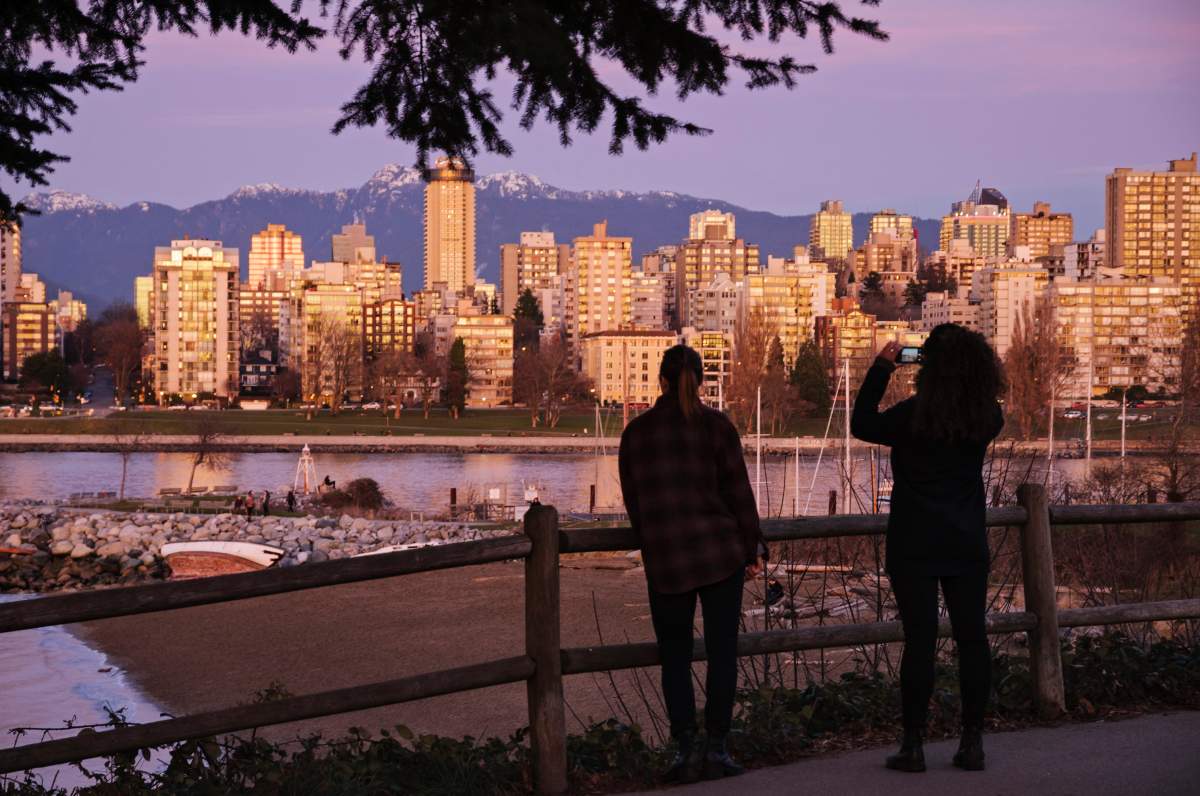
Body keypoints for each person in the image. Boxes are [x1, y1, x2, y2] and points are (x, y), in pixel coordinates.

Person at [850, 324, 1005, 774]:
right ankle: (972, 742)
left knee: (919, 643)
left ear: (927, 367)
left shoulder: (911, 416)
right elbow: (990, 408)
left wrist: (883, 366)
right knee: (971, 639)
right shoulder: (984, 419)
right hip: (965, 541)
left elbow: (862, 423)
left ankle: (913, 744)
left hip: (914, 540)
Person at [618, 344, 766, 783]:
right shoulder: (717, 427)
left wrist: (651, 541)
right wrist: (753, 546)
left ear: (660, 381)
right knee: (723, 654)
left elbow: (635, 503)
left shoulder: (636, 434)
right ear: (701, 381)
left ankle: (684, 750)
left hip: (667, 558)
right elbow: (740, 494)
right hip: (720, 553)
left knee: (675, 660)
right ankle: (717, 748)